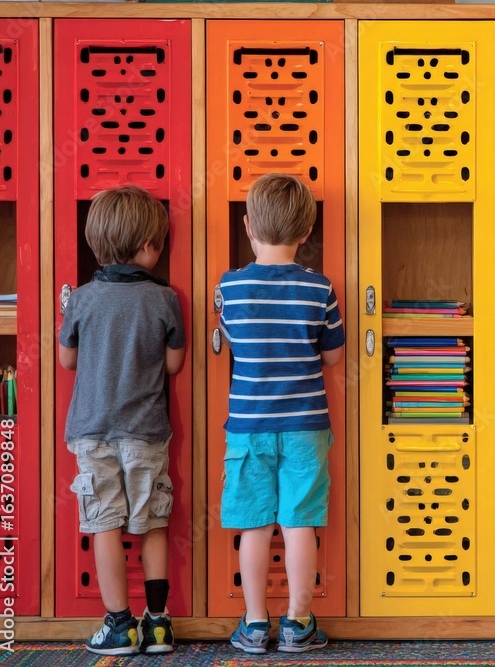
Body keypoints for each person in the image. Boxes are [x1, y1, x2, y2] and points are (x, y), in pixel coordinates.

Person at [220, 173, 345, 654]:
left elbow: (230, 342)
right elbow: (332, 357)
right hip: (305, 427)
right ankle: (298, 623)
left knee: (254, 524)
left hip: (249, 428)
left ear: (248, 225)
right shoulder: (320, 289)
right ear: (307, 231)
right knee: (299, 523)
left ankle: (254, 624)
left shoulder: (229, 287)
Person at [59, 185, 186, 656]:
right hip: (147, 434)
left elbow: (66, 359)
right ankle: (157, 626)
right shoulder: (164, 298)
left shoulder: (83, 299)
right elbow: (173, 366)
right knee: (152, 522)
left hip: (92, 435)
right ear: (151, 246)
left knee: (104, 524)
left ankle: (118, 626)